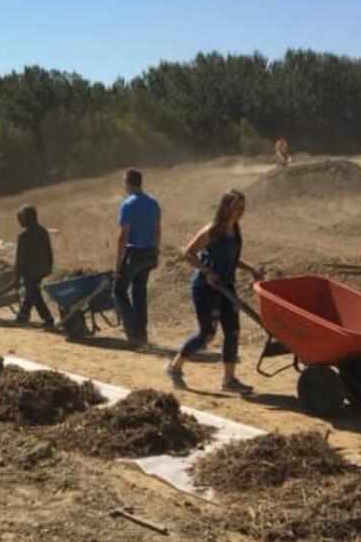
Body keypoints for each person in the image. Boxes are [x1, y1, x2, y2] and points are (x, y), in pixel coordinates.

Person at [166, 190, 264, 393]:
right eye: (237, 207)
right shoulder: (212, 230)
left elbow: (230, 259)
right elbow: (188, 254)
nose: (240, 211)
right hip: (205, 288)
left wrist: (251, 269)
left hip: (226, 285)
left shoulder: (235, 231)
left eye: (243, 208)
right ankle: (174, 367)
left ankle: (229, 381)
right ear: (226, 207)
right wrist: (207, 271)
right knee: (207, 334)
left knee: (233, 331)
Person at [113, 168, 161, 347]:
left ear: (128, 183)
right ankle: (142, 334)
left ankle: (132, 331)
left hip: (134, 253)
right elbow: (157, 229)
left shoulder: (128, 204)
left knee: (118, 291)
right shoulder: (153, 203)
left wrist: (118, 264)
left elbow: (123, 235)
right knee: (139, 293)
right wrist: (156, 251)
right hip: (149, 252)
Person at [12, 204, 55, 329]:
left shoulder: (23, 236)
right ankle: (24, 315)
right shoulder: (42, 231)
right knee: (33, 293)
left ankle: (46, 318)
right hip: (42, 269)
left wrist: (16, 276)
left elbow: (20, 258)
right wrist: (50, 266)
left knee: (33, 294)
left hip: (29, 271)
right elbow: (49, 251)